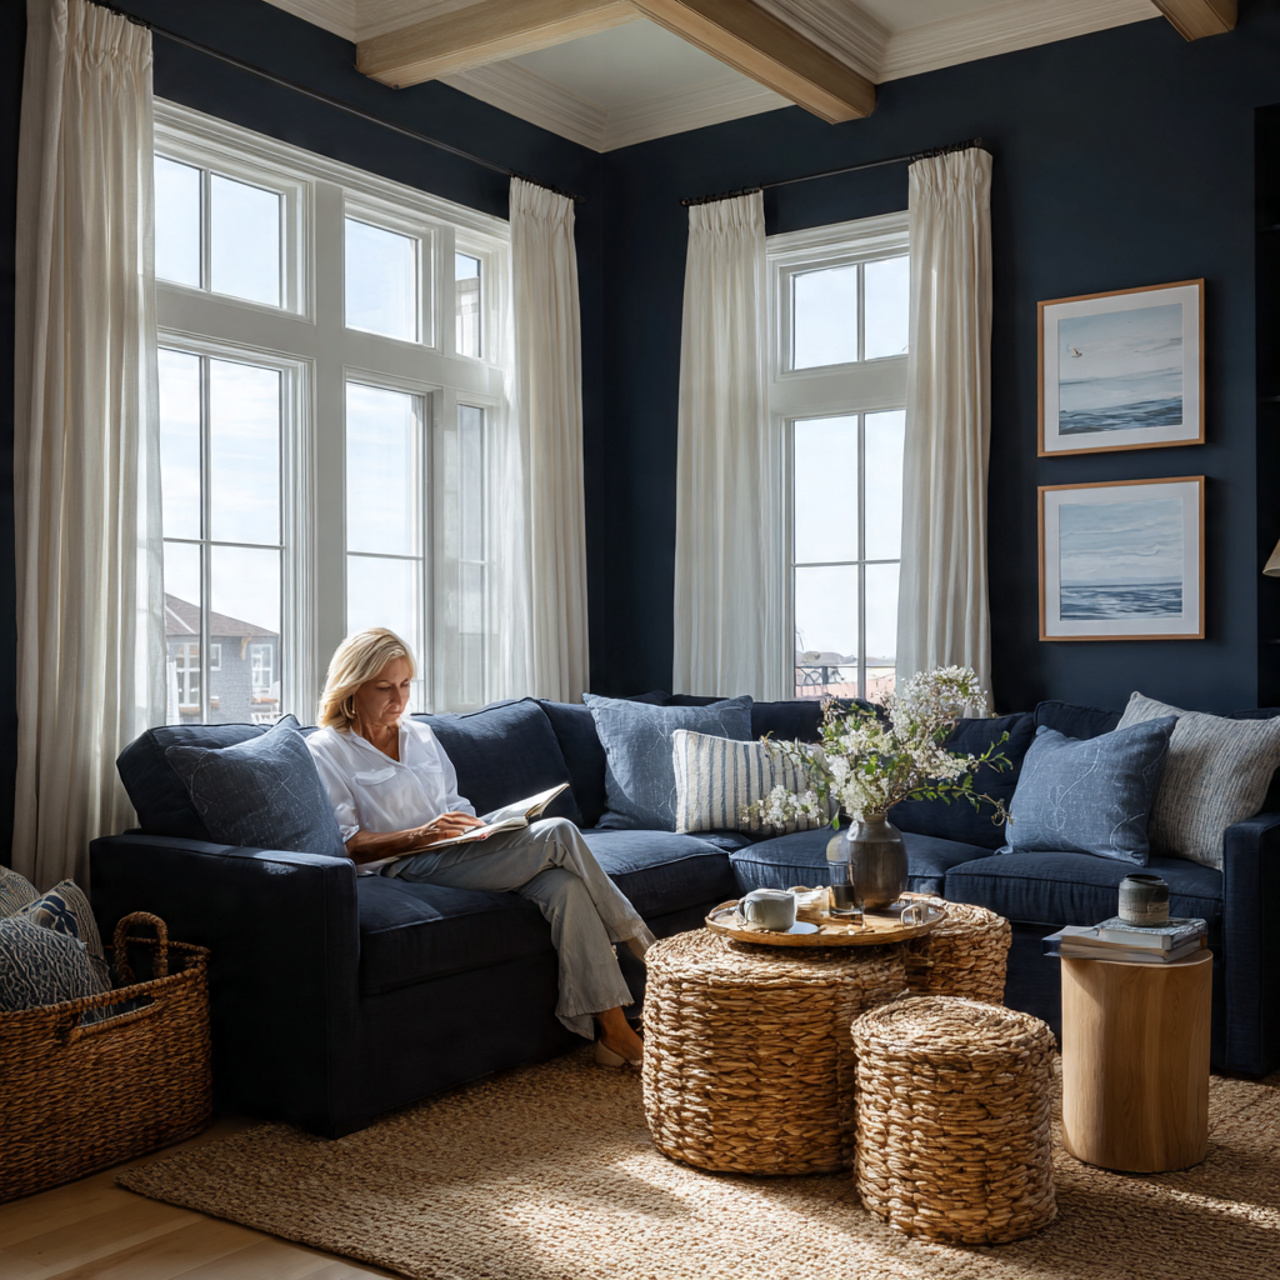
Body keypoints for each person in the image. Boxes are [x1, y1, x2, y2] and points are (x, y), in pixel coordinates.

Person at [306, 627, 651, 1067]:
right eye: (384, 687)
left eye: (406, 684)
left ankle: (614, 1032)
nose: (399, 698)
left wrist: (487, 826)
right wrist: (423, 834)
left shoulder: (422, 736)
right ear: (352, 687)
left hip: (457, 851)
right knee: (559, 830)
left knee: (566, 887)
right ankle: (645, 948)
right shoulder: (327, 750)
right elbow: (349, 845)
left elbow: (455, 805)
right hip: (407, 865)